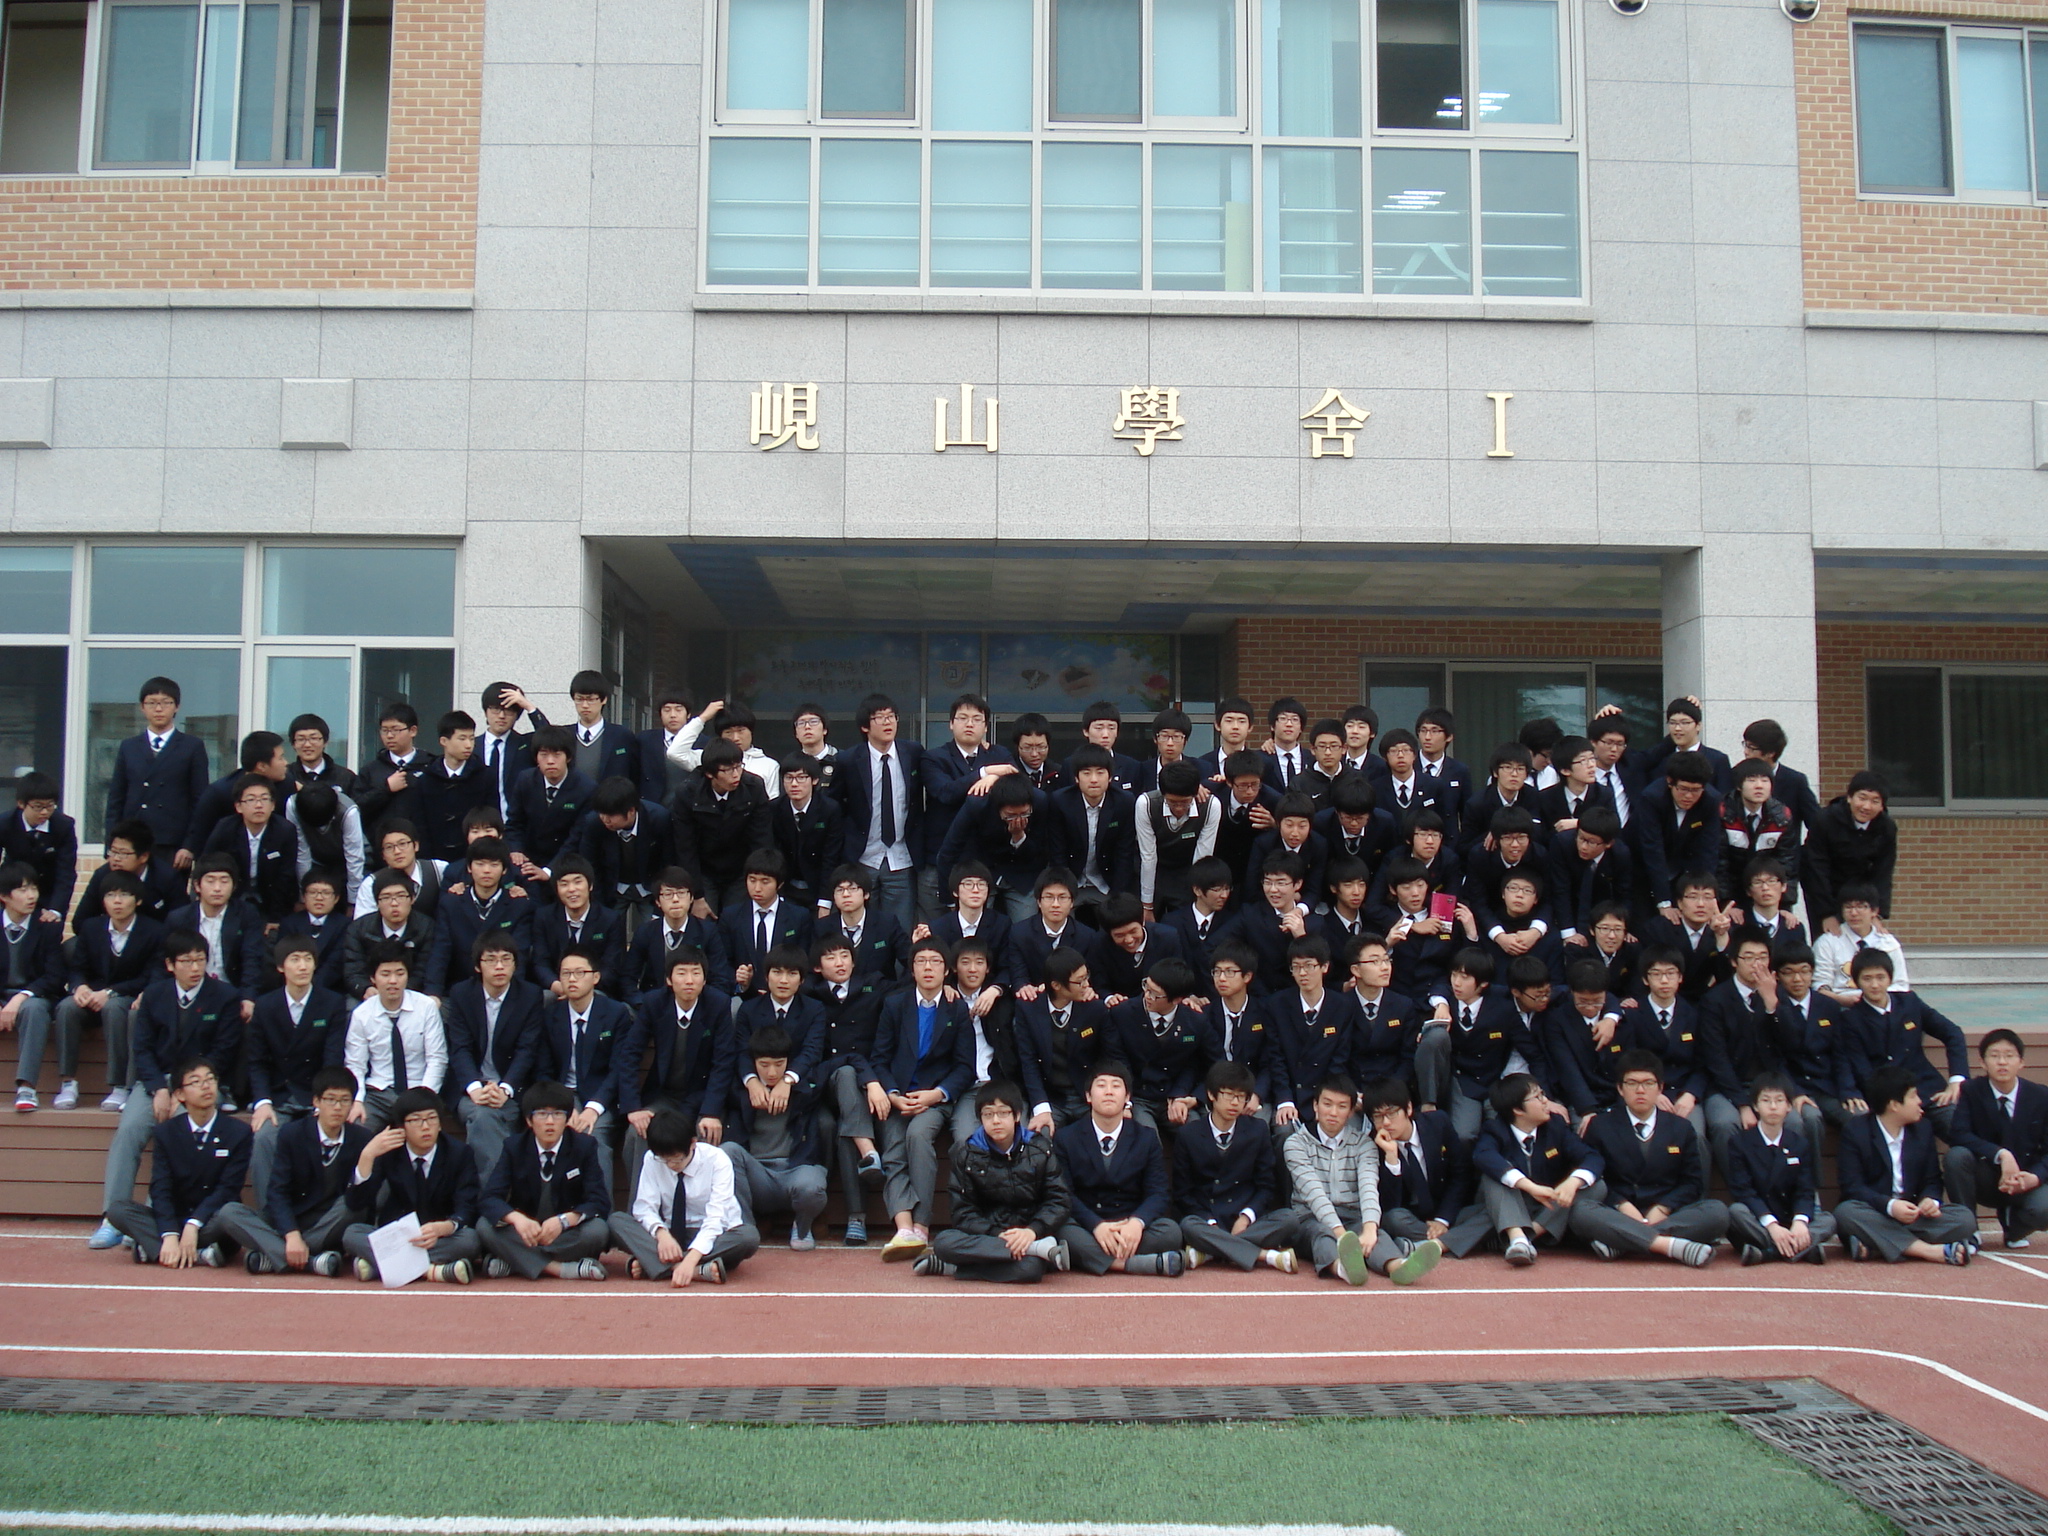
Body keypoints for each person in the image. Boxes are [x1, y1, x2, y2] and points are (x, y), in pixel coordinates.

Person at [88, 929, 242, 1251]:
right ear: (170, 965)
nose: (195, 967)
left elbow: (222, 1052)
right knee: (129, 1131)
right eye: (186, 961)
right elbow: (142, 1049)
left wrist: (182, 1090)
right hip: (155, 1082)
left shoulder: (224, 996)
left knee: (177, 1133)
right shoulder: (155, 995)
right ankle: (112, 1219)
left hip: (201, 1082)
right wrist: (161, 1088)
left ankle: (152, 1221)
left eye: (200, 960)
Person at [1571, 1051, 1726, 1267]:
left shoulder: (1681, 1127)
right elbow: (1598, 1178)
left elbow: (1692, 1182)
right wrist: (1621, 1205)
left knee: (1718, 1212)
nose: (1640, 1090)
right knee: (1581, 1211)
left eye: (1648, 1083)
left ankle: (1621, 1241)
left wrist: (1663, 1208)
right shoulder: (1600, 1126)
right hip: (1618, 1212)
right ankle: (1669, 1245)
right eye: (1632, 1083)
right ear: (1620, 1089)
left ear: (1660, 1088)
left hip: (1666, 1213)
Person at [872, 940, 975, 1261]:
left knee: (917, 1135)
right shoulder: (895, 1005)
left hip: (935, 1099)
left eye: (935, 961)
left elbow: (965, 1067)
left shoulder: (957, 1008)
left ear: (947, 970)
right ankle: (903, 1227)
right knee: (893, 1149)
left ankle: (921, 1224)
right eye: (921, 961)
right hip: (898, 1096)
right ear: (912, 969)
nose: (928, 967)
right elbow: (880, 1058)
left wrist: (936, 1095)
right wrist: (892, 1094)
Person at [215, 1065, 371, 1275]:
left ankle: (275, 1255)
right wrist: (291, 1234)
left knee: (352, 1206)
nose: (337, 1107)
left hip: (328, 1224)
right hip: (292, 1217)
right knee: (229, 1212)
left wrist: (370, 1156)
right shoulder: (292, 1134)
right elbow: (277, 1191)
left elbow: (360, 1201)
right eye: (330, 1099)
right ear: (316, 1101)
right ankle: (312, 1262)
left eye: (344, 1100)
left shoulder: (361, 1138)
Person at [103, 1056, 253, 1269]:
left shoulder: (239, 1132)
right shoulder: (166, 1132)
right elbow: (160, 1187)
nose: (206, 1086)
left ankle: (156, 1251)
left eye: (210, 1079)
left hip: (210, 1221)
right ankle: (197, 1255)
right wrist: (170, 1234)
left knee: (231, 1214)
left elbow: (228, 1189)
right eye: (196, 1082)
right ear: (180, 1094)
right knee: (118, 1210)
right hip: (175, 1218)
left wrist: (194, 1224)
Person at [915, 1081, 1071, 1282]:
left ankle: (954, 1268)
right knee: (943, 1242)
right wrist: (998, 1234)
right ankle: (1034, 1250)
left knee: (1030, 1269)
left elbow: (1059, 1200)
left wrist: (1032, 1231)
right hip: (988, 1236)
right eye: (988, 1114)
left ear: (1016, 1115)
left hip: (1030, 1233)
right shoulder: (967, 1154)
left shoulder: (1039, 1148)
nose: (996, 1121)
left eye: (1003, 1113)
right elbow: (962, 1213)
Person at [618, 943, 734, 1204]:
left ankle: (702, 1212)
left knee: (709, 1133)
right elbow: (630, 1054)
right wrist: (633, 1107)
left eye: (696, 973)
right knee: (637, 1133)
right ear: (669, 980)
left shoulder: (718, 1004)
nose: (689, 980)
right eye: (681, 973)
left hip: (701, 1097)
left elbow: (723, 1062)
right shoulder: (654, 1003)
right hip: (664, 1097)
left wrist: (711, 1111)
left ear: (705, 978)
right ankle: (639, 1210)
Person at [1834, 1065, 1977, 1266]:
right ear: (1894, 1105)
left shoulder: (1923, 1129)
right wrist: (1890, 1206)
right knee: (1846, 1213)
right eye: (1913, 1096)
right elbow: (1852, 1187)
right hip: (1876, 1211)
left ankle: (1877, 1243)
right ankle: (1929, 1251)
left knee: (1964, 1219)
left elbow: (1932, 1180)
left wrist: (1930, 1201)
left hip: (1913, 1215)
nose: (1920, 1101)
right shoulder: (1856, 1131)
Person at [1051, 1064, 1186, 1276]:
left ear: (1127, 1097)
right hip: (1088, 1224)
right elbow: (1065, 1194)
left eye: (1116, 1086)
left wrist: (1136, 1223)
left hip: (1129, 1222)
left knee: (1171, 1232)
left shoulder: (1146, 1137)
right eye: (1101, 1085)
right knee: (1064, 1232)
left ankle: (1098, 1259)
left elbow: (1158, 1193)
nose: (1109, 1092)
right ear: (1088, 1096)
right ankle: (1132, 1264)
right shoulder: (1066, 1138)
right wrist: (1096, 1226)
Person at [245, 934, 350, 1203]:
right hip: (279, 1096)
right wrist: (263, 1102)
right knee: (264, 1138)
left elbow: (332, 1059)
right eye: (295, 959)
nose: (303, 966)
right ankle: (268, 1216)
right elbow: (257, 1061)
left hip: (315, 1095)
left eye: (308, 959)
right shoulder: (265, 1005)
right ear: (281, 967)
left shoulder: (332, 1003)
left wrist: (323, 1100)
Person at [342, 1086, 483, 1284]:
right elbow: (356, 1203)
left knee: (470, 1240)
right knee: (352, 1233)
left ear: (440, 1124)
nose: (425, 1127)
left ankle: (381, 1267)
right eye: (416, 1120)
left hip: (438, 1237)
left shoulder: (459, 1153)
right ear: (402, 1127)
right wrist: (367, 1155)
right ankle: (433, 1271)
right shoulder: (389, 1151)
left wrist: (445, 1227)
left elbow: (466, 1206)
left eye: (431, 1118)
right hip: (397, 1237)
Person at [478, 1080, 613, 1281]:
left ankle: (515, 1261)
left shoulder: (584, 1146)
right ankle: (558, 1269)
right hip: (526, 1232)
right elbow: (490, 1198)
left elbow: (599, 1201)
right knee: (484, 1226)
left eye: (557, 1114)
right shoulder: (514, 1147)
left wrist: (565, 1221)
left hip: (564, 1233)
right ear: (529, 1120)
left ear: (567, 1118)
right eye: (542, 1114)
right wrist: (517, 1219)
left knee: (597, 1231)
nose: (550, 1122)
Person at [52, 871, 162, 1112]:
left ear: (138, 900)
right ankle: (68, 1082)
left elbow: (149, 976)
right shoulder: (92, 927)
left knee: (114, 1008)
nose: (117, 901)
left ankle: (119, 1085)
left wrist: (110, 992)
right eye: (111, 895)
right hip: (92, 995)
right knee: (67, 1007)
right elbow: (77, 968)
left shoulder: (154, 931)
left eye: (124, 895)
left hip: (128, 997)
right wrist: (80, 986)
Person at [1175, 1061, 1299, 1273]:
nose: (1235, 1102)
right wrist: (1211, 1223)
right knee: (1188, 1225)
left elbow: (1266, 1185)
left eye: (1241, 1097)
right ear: (1211, 1094)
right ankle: (1267, 1256)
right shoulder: (1189, 1134)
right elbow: (1183, 1193)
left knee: (1290, 1219)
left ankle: (1213, 1251)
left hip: (1245, 1219)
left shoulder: (1257, 1129)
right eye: (1228, 1095)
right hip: (1208, 1219)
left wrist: (1246, 1217)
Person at [441, 931, 545, 1180]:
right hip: (471, 1088)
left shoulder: (529, 995)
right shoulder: (461, 994)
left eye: (506, 959)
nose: (499, 966)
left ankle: (489, 1194)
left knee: (490, 1118)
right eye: (491, 959)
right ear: (478, 966)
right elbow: (460, 1048)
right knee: (484, 1116)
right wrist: (475, 1088)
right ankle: (499, 1192)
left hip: (512, 1088)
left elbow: (527, 1050)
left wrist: (506, 1088)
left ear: (515, 964)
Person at [614, 1109, 760, 1285]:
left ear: (692, 1143)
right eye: (664, 1160)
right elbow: (644, 1207)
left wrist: (690, 1260)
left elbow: (717, 1217)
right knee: (617, 1221)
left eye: (676, 1159)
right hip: (670, 1234)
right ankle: (698, 1270)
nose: (670, 1165)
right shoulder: (652, 1159)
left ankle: (655, 1264)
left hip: (711, 1234)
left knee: (748, 1237)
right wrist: (662, 1235)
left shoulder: (717, 1160)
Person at [1471, 1074, 1600, 1266]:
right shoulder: (1495, 1129)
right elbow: (1483, 1156)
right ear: (1517, 1109)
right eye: (1537, 1097)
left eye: (1543, 1094)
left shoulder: (1555, 1125)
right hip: (1512, 1205)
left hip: (1549, 1206)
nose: (1545, 1101)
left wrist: (1572, 1183)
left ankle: (1525, 1238)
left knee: (1596, 1185)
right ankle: (1517, 1237)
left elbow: (1591, 1157)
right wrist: (1530, 1187)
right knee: (1493, 1177)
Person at [722, 1024, 830, 1251]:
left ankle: (802, 1227)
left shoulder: (803, 1086)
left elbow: (847, 1060)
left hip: (795, 1170)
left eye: (779, 1064)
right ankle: (744, 1229)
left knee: (812, 1184)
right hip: (757, 1175)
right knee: (727, 1151)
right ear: (753, 1064)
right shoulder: (739, 1089)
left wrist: (789, 1081)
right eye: (764, 1065)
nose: (772, 1072)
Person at [1362, 1076, 1492, 1263]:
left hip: (1448, 1213)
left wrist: (1442, 1220)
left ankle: (1429, 1245)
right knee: (1393, 1219)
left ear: (1408, 1108)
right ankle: (1458, 1240)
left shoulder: (1438, 1122)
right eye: (1378, 1116)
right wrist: (1391, 1158)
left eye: (1391, 1113)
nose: (1386, 1122)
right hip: (1410, 1219)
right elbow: (1390, 1204)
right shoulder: (1373, 1145)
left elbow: (1460, 1174)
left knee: (1490, 1211)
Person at [1842, 948, 1967, 1138]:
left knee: (1960, 1126)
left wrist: (1956, 1080)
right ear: (1856, 981)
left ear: (1890, 978)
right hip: (1887, 1102)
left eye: (1880, 977)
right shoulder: (1851, 1019)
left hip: (1928, 1092)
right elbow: (1862, 1070)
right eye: (1867, 979)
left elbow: (1952, 1033)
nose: (1875, 985)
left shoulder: (1910, 1002)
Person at [1286, 1075, 1397, 1286]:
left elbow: (1368, 1187)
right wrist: (1342, 1237)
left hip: (1352, 1215)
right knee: (1322, 1234)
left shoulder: (1364, 1144)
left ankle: (1398, 1266)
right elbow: (1313, 1194)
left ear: (1351, 1111)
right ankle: (1343, 1268)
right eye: (1327, 1104)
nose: (1333, 1112)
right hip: (1310, 1219)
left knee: (1375, 1233)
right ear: (1315, 1105)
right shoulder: (1296, 1144)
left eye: (1342, 1106)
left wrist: (1370, 1230)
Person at [1944, 1029, 2048, 1250]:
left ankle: (2015, 1228)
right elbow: (1959, 1134)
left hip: (2025, 1178)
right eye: (1994, 1056)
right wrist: (2001, 1154)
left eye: (2009, 1056)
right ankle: (1968, 1230)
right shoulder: (1971, 1090)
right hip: (1986, 1177)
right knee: (1956, 1156)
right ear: (1982, 1062)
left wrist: (2035, 1177)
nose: (2002, 1062)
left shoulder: (2040, 1096)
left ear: (2021, 1062)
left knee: (2044, 1207)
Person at [534, 942, 628, 1172]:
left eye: (579, 973)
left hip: (601, 1098)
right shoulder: (551, 1015)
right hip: (562, 1093)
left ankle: (598, 1198)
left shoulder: (616, 1013)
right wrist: (563, 1106)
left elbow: (619, 1069)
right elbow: (544, 1070)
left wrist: (593, 1108)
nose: (572, 979)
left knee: (593, 1137)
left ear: (595, 977)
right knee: (556, 1134)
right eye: (566, 973)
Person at [836, 692, 926, 931]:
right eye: (880, 717)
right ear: (865, 726)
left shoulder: (913, 753)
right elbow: (835, 805)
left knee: (900, 930)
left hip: (902, 857)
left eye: (891, 716)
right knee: (862, 929)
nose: (888, 722)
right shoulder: (848, 760)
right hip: (863, 857)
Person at [1725, 1071, 1835, 1266]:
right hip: (1760, 1219)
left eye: (1779, 1100)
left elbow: (1805, 1190)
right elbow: (1744, 1191)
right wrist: (1772, 1226)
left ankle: (1768, 1253)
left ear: (1789, 1106)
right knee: (1736, 1212)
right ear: (1755, 1106)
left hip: (1790, 1217)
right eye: (1766, 1100)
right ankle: (1801, 1249)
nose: (1773, 1107)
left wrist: (1800, 1222)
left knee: (1828, 1220)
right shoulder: (1739, 1143)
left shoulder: (1799, 1143)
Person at [105, 677, 210, 865]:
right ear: (142, 707)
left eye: (165, 703)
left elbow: (200, 801)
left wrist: (190, 845)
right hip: (133, 842)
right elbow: (116, 799)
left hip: (173, 843)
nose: (158, 709)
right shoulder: (129, 747)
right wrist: (111, 846)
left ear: (177, 707)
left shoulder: (192, 746)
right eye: (152, 703)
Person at [342, 941, 447, 1130]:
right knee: (357, 1128)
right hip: (379, 1093)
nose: (393, 981)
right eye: (385, 974)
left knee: (420, 1130)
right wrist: (357, 1100)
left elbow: (437, 1059)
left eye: (399, 973)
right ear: (373, 978)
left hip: (419, 1090)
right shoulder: (362, 1014)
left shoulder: (426, 1007)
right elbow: (355, 1065)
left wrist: (426, 1096)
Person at [1105, 957, 1207, 1132]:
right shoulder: (1123, 1013)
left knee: (1196, 1133)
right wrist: (1126, 1101)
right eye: (1146, 987)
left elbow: (1199, 1063)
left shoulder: (1194, 1021)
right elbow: (1117, 1059)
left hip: (1174, 1094)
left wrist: (1184, 1096)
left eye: (1155, 994)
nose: (1147, 996)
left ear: (1177, 999)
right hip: (1138, 1096)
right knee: (1147, 1136)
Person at [1015, 947, 1111, 1132]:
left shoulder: (1094, 1008)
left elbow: (1109, 1057)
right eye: (1079, 981)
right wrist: (1041, 1107)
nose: (1086, 985)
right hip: (1051, 1097)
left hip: (1087, 1095)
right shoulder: (1029, 1008)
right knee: (1040, 1137)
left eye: (1086, 977)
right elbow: (1028, 1060)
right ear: (1056, 985)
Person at [422, 836, 532, 994]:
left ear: (504, 869)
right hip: (459, 990)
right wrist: (433, 993)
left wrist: (513, 994)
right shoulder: (451, 904)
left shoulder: (518, 905)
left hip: (504, 990)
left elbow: (520, 955)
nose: (486, 870)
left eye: (494, 864)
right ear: (469, 867)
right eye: (480, 864)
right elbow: (440, 952)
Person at [568, 776, 676, 930]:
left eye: (611, 815)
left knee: (655, 932)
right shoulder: (593, 823)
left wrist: (660, 908)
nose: (605, 820)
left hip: (650, 888)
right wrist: (599, 907)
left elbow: (668, 863)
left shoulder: (658, 819)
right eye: (602, 814)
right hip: (612, 888)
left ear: (631, 811)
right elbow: (590, 867)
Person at [1047, 745, 1138, 926]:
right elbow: (1057, 852)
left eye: (1100, 773)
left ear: (1110, 776)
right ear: (1076, 778)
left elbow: (1124, 853)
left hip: (1107, 883)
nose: (1094, 780)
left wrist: (1117, 897)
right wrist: (1064, 891)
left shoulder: (1124, 802)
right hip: (1071, 880)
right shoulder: (1060, 801)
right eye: (1086, 773)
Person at [3, 863, 69, 1111]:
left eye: (33, 888)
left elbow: (54, 976)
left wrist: (20, 997)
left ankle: (27, 1087)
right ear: (4, 896)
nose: (31, 896)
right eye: (23, 890)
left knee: (34, 1010)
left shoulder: (47, 926)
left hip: (35, 995)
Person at [1804, 772, 1897, 932]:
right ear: (1849, 797)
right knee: (1829, 939)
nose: (1866, 806)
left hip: (1861, 892)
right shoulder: (1825, 820)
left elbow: (1883, 872)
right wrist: (1826, 914)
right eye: (1862, 798)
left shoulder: (1886, 827)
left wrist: (1877, 913)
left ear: (1882, 806)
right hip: (1826, 890)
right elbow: (1816, 868)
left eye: (1875, 801)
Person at [506, 726, 595, 893]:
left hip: (565, 864)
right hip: (528, 861)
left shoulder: (585, 788)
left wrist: (549, 870)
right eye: (544, 755)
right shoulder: (525, 780)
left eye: (557, 754)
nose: (550, 761)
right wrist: (516, 850)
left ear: (568, 757)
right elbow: (514, 822)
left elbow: (576, 837)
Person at [717, 850, 814, 999]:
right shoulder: (731, 916)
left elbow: (804, 962)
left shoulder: (799, 916)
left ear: (779, 884)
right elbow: (723, 962)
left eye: (765, 881)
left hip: (787, 995)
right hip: (743, 996)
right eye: (752, 880)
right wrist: (741, 981)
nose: (757, 888)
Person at [531, 856, 628, 998]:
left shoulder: (610, 919)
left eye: (578, 882)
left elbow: (611, 968)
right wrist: (559, 987)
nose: (572, 889)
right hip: (558, 990)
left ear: (590, 885)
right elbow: (540, 962)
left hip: (596, 989)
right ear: (556, 889)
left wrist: (581, 989)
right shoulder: (544, 917)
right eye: (564, 884)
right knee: (545, 998)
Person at [1002, 867, 1106, 999]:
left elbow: (1092, 977)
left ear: (1072, 902)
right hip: (1034, 998)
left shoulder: (1087, 936)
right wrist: (1024, 987)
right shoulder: (1020, 932)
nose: (1055, 904)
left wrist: (1088, 989)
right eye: (1049, 897)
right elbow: (1018, 975)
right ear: (1039, 901)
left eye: (1062, 897)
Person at [627, 866, 733, 995]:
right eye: (668, 894)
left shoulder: (707, 931)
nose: (675, 899)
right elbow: (628, 979)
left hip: (697, 1001)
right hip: (654, 1002)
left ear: (691, 897)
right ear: (658, 901)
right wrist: (643, 1003)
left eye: (681, 893)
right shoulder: (645, 932)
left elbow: (721, 979)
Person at [340, 869, 438, 1001]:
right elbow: (353, 969)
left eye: (401, 896)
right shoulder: (358, 929)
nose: (394, 903)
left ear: (412, 898)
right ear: (377, 902)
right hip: (370, 993)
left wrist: (401, 991)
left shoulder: (426, 928)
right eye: (386, 897)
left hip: (412, 994)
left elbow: (423, 970)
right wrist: (365, 988)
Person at [413, 711, 496, 864]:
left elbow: (491, 818)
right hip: (434, 859)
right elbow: (420, 824)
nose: (468, 745)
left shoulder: (485, 776)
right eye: (462, 738)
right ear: (444, 741)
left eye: (472, 738)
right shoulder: (426, 779)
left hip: (474, 859)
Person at [355, 704, 438, 851]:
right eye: (385, 730)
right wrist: (386, 789)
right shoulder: (370, 771)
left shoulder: (431, 766)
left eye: (395, 730)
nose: (389, 736)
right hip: (382, 851)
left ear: (413, 731)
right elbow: (357, 809)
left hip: (423, 849)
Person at [770, 756, 843, 915]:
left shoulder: (829, 809)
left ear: (814, 780)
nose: (794, 784)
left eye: (801, 777)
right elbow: (774, 853)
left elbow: (831, 857)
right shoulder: (775, 808)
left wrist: (825, 901)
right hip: (786, 887)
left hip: (817, 887)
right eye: (789, 778)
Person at [0, 771, 76, 922]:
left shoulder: (63, 826)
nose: (44, 812)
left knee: (49, 929)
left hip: (48, 893)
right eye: (38, 807)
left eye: (50, 806)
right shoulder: (5, 824)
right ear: (21, 804)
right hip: (14, 892)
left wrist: (56, 909)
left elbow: (66, 872)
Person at [1813, 884, 1908, 1001]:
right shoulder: (1827, 942)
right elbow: (1820, 985)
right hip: (1841, 1003)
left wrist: (1872, 1000)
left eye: (1860, 907)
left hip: (1881, 1003)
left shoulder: (1888, 943)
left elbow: (1901, 985)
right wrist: (1841, 1000)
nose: (1854, 913)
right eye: (1848, 907)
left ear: (1874, 911)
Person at [351, 821, 445, 921]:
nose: (397, 851)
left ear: (416, 845)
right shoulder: (371, 884)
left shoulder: (437, 869)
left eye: (402, 844)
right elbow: (363, 925)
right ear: (382, 854)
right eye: (389, 847)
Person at [563, 669, 641, 790]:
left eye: (590, 699)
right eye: (579, 699)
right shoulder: (564, 735)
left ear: (604, 699)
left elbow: (634, 775)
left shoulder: (622, 736)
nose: (584, 705)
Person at [287, 784, 365, 899]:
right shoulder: (293, 805)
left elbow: (354, 856)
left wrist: (353, 900)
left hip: (347, 861)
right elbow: (301, 851)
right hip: (316, 860)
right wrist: (303, 896)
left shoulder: (349, 811)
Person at [284, 713, 357, 798]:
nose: (307, 745)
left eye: (313, 738)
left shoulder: (346, 777)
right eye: (301, 739)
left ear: (325, 742)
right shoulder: (286, 776)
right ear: (293, 744)